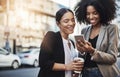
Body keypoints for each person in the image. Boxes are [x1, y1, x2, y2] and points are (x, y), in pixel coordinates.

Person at [74, 0, 120, 77]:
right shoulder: (84, 30)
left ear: (102, 12)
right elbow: (83, 56)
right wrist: (81, 50)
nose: (91, 17)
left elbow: (112, 58)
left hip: (102, 73)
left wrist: (92, 51)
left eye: (95, 13)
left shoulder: (112, 28)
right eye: (88, 14)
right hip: (85, 72)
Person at [38, 8, 84, 77]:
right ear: (58, 24)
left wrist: (74, 73)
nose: (71, 23)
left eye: (73, 20)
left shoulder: (72, 42)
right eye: (66, 21)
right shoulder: (51, 37)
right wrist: (66, 66)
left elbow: (71, 66)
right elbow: (43, 63)